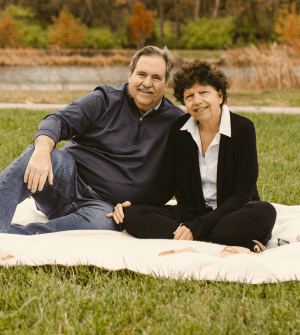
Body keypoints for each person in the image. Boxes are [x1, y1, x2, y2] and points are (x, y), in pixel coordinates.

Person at [0, 45, 184, 235]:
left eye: (156, 78)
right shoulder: (106, 99)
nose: (147, 83)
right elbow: (57, 121)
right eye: (142, 74)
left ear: (166, 85)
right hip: (65, 182)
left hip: (102, 207)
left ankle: (10, 233)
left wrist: (136, 206)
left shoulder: (176, 121)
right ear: (130, 75)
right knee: (39, 153)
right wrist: (42, 152)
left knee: (103, 226)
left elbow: (174, 178)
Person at [115, 60, 276, 253]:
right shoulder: (179, 129)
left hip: (231, 212)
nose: (197, 101)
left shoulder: (242, 128)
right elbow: (166, 185)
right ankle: (225, 241)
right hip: (190, 213)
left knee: (265, 212)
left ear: (220, 94)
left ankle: (192, 238)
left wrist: (198, 226)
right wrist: (133, 204)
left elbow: (242, 194)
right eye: (189, 96)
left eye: (204, 92)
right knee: (133, 216)